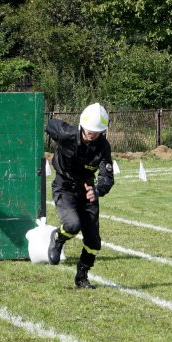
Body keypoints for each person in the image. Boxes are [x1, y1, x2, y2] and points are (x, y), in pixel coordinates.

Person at [45, 103, 115, 289]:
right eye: (89, 130)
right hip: (64, 187)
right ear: (82, 125)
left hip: (87, 190)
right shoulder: (65, 133)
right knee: (72, 225)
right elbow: (49, 124)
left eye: (97, 131)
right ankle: (58, 238)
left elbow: (107, 176)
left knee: (93, 241)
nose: (92, 134)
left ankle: (82, 277)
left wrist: (98, 190)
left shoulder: (102, 146)